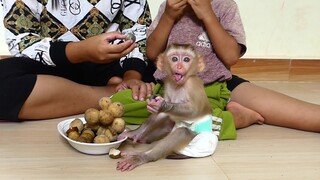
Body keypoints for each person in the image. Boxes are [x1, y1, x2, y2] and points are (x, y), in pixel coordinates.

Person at [146, 0, 320, 134]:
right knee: (165, 122)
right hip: (171, 89)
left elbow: (230, 57)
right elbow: (152, 53)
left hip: (219, 86)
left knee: (307, 116)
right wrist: (168, 16)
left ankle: (240, 117)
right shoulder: (167, 7)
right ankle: (232, 119)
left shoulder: (225, 6)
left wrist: (208, 15)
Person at [0, 0, 156, 121]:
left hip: (113, 64)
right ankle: (113, 95)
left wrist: (132, 77)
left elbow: (138, 30)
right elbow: (21, 41)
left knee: (164, 71)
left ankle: (125, 91)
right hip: (53, 66)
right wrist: (82, 50)